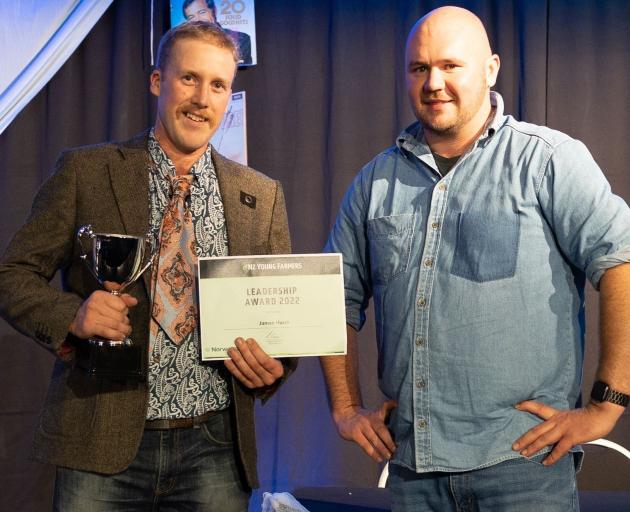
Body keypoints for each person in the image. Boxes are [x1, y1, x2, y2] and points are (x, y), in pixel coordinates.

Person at [321, 6, 630, 511]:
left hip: (525, 470)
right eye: (419, 69)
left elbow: (621, 260)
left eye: (450, 66)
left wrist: (606, 404)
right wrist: (345, 408)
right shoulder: (374, 183)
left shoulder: (547, 160)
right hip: (412, 473)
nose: (433, 82)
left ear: (490, 69)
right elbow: (333, 298)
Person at [0, 21, 294, 511]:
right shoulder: (86, 171)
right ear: (157, 81)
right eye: (188, 79)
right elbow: (11, 275)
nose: (202, 98)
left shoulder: (260, 196)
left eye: (218, 85)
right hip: (101, 443)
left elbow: (281, 317)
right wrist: (72, 316)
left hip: (215, 449)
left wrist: (277, 365)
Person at [183, 0, 253, 65]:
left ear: (214, 11)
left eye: (202, 12)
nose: (198, 20)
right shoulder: (185, 46)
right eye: (191, 17)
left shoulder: (241, 39)